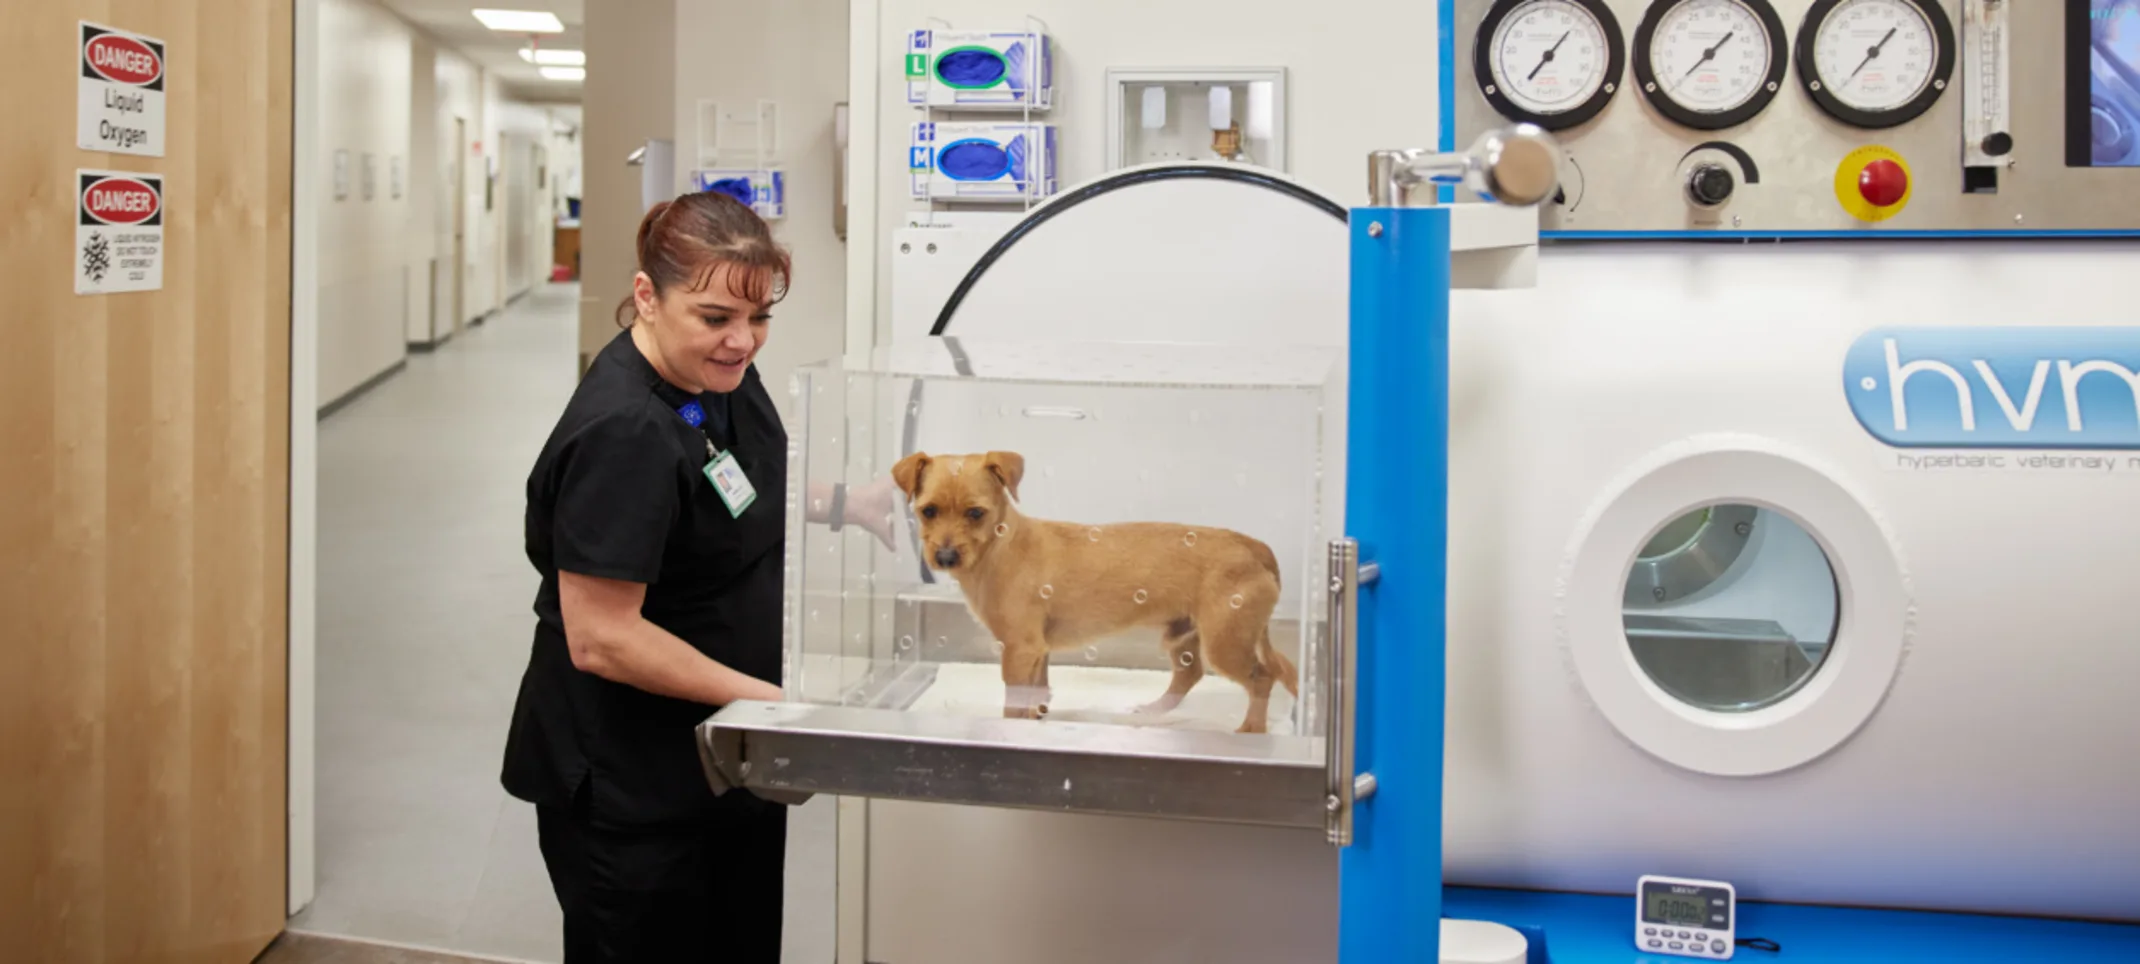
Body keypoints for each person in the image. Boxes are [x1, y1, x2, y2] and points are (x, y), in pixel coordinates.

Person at [501, 189, 894, 962]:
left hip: (725, 754)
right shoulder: (625, 432)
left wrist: (851, 503)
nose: (742, 341)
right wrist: (777, 703)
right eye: (715, 317)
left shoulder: (713, 378)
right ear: (647, 297)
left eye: (759, 317)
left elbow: (735, 486)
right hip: (636, 784)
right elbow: (602, 638)